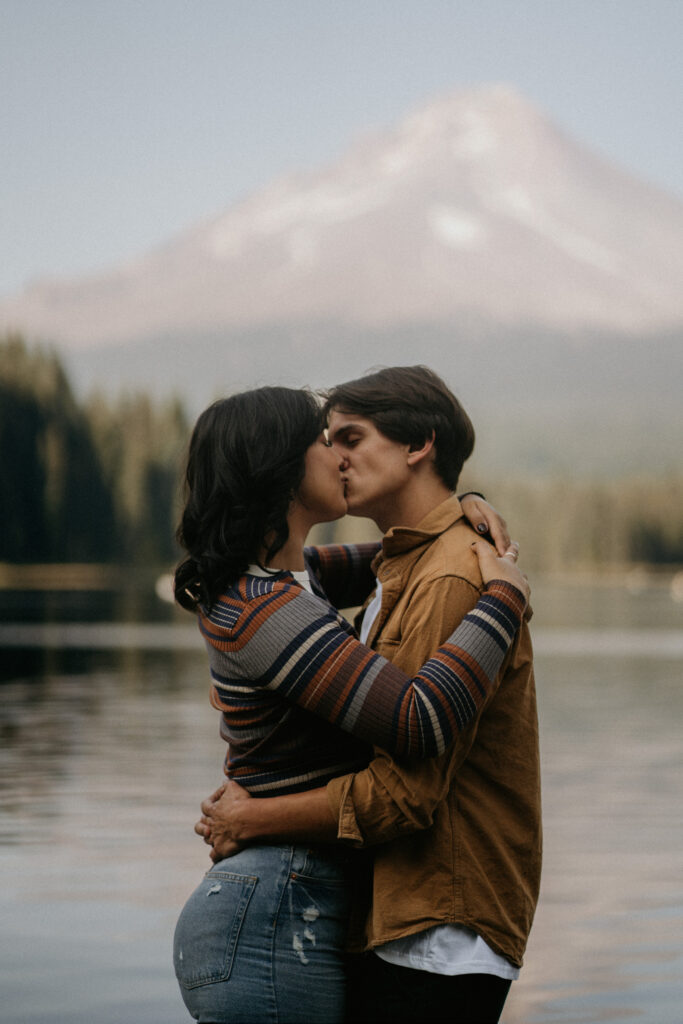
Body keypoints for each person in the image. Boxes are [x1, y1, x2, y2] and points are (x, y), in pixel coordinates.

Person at [172, 383, 529, 1024]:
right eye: (322, 440)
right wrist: (504, 597)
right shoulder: (265, 609)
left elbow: (406, 556)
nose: (336, 455)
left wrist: (464, 505)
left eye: (347, 440)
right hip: (273, 911)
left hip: (292, 903)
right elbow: (418, 721)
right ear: (278, 467)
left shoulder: (293, 580)